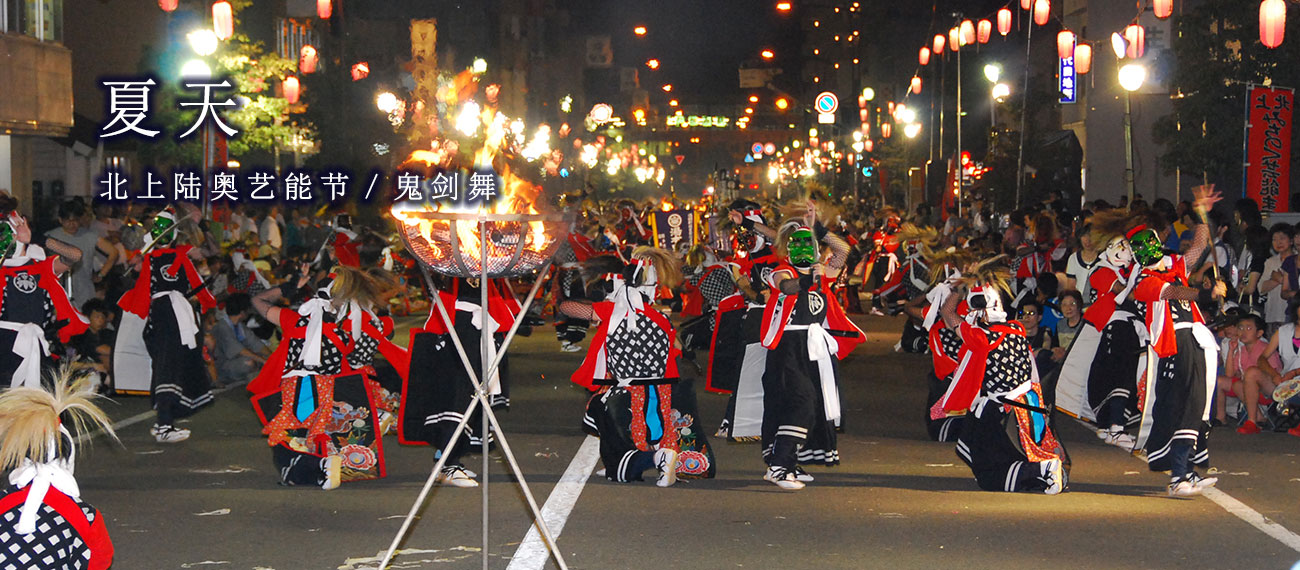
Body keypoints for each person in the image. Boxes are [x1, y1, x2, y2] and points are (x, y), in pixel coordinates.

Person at [249, 265, 405, 489]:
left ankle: (320, 467)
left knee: (284, 437)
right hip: (334, 391)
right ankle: (376, 416)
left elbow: (258, 302)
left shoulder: (295, 320)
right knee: (316, 436)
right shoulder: (353, 327)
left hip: (301, 388)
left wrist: (288, 287)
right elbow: (361, 360)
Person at [932, 260, 1066, 495]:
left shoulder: (981, 338)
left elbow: (947, 313)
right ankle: (1041, 472)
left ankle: (1043, 470)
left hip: (1001, 411)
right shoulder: (1016, 329)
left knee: (993, 473)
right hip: (1028, 405)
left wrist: (960, 284)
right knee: (971, 439)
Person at [569, 248, 695, 486]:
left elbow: (569, 308)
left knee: (636, 424)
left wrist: (599, 305)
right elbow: (675, 345)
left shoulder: (617, 312)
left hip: (633, 383)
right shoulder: (659, 318)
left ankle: (657, 460)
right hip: (648, 381)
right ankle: (626, 462)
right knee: (643, 421)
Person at [1129, 186, 1225, 496]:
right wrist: (1207, 296)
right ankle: (1179, 477)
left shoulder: (1173, 269)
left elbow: (1198, 248)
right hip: (1177, 345)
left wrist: (1200, 214)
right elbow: (1174, 294)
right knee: (1186, 405)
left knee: (1194, 405)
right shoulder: (1144, 282)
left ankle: (1185, 473)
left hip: (1193, 341)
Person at [758, 219, 862, 489]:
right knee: (800, 401)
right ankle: (779, 466)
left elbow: (843, 251)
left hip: (814, 348)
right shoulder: (780, 270)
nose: (804, 247)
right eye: (798, 242)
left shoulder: (822, 272)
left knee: (813, 404)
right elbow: (785, 287)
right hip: (788, 347)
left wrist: (819, 227)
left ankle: (789, 461)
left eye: (809, 242)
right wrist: (808, 279)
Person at [399, 274, 519, 488]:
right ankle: (447, 464)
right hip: (458, 325)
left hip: (473, 323)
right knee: (459, 397)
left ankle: (447, 458)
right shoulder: (453, 260)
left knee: (472, 395)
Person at [116, 208, 215, 443]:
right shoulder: (148, 257)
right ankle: (164, 424)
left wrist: (202, 230)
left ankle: (166, 418)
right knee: (167, 366)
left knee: (173, 365)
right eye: (158, 229)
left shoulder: (182, 254)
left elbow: (206, 254)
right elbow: (135, 277)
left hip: (178, 314)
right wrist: (139, 261)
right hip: (164, 315)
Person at [44, 199, 119, 308]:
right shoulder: (51, 237)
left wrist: (101, 274)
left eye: (75, 220)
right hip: (58, 289)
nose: (72, 224)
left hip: (85, 289)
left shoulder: (89, 236)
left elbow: (113, 252)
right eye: (68, 220)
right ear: (60, 220)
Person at [1215, 314, 1278, 433]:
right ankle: (1221, 417)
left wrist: (1249, 377)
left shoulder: (1265, 347)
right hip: (1249, 390)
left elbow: (1273, 374)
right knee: (1221, 381)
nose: (1243, 332)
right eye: (1240, 328)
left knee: (1251, 373)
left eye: (1248, 328)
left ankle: (1252, 420)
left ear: (1259, 333)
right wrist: (1231, 351)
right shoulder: (1242, 350)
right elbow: (1229, 375)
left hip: (1270, 390)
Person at [209, 293, 269, 386]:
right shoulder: (222, 327)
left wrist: (272, 358)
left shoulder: (239, 325)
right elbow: (239, 350)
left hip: (235, 360)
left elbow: (256, 344)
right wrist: (263, 361)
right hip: (222, 367)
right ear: (242, 313)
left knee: (265, 359)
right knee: (248, 363)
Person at [1259, 223, 1293, 334]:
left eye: (1282, 238)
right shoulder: (1270, 262)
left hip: (1292, 314)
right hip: (1273, 313)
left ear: (1291, 240)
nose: (1278, 242)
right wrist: (1279, 279)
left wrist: (1279, 278)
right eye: (1274, 239)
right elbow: (1261, 288)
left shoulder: (1297, 260)